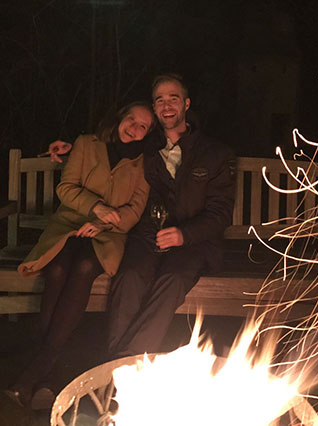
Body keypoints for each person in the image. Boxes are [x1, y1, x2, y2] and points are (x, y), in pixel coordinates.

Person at [8, 101, 153, 407]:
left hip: (108, 234)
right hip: (68, 225)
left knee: (86, 266)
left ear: (147, 133)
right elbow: (66, 187)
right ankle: (49, 374)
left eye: (143, 126)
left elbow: (135, 210)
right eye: (132, 120)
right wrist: (95, 207)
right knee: (57, 269)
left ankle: (35, 370)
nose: (135, 128)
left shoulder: (143, 163)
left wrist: (103, 222)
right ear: (120, 118)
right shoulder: (88, 144)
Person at [106, 74, 236, 359]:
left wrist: (183, 234)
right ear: (154, 108)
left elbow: (220, 214)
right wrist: (67, 149)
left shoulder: (215, 153)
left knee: (172, 279)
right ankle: (121, 365)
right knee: (128, 277)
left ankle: (123, 362)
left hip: (195, 243)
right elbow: (107, 149)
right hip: (148, 238)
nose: (166, 106)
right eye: (160, 100)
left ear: (186, 104)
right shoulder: (146, 149)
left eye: (173, 99)